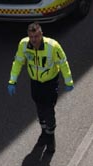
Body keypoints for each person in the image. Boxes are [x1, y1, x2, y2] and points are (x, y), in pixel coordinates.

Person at [8, 22, 74, 154]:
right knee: (40, 110)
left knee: (49, 111)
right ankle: (44, 132)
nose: (34, 40)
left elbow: (63, 63)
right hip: (35, 83)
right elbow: (18, 62)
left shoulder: (52, 46)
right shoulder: (24, 45)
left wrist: (68, 81)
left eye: (36, 36)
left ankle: (50, 137)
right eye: (31, 37)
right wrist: (12, 81)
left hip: (50, 83)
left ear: (41, 34)